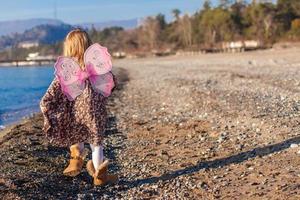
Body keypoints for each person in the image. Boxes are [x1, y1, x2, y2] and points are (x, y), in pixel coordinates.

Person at [40, 28, 117, 186]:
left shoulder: (67, 70)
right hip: (96, 114)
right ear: (88, 44)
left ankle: (76, 158)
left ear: (69, 47)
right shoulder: (97, 66)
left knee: (75, 135)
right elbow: (112, 82)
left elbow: (52, 92)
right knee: (96, 144)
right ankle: (99, 176)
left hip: (75, 114)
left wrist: (46, 106)